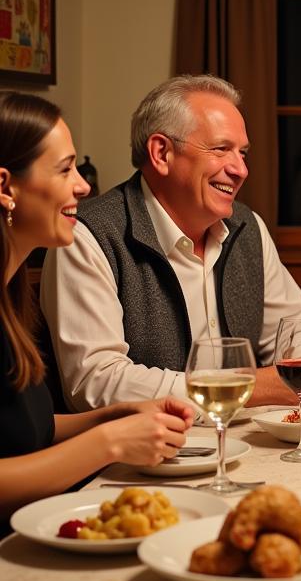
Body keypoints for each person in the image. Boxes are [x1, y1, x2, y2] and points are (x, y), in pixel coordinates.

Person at [41, 74, 301, 411]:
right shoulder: (86, 236)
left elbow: (293, 331)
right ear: (161, 152)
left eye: (243, 153)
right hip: (143, 459)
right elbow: (94, 383)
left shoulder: (248, 227)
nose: (241, 170)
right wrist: (244, 388)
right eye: (221, 150)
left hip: (246, 443)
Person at [0, 92, 192, 522]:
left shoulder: (10, 297)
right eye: (64, 169)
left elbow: (25, 429)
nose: (83, 186)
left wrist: (115, 415)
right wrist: (112, 443)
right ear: (4, 186)